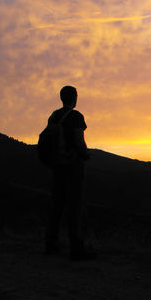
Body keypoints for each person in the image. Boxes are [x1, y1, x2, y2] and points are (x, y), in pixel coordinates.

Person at [44, 85, 95, 260]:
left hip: (57, 166)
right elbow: (79, 141)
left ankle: (51, 244)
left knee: (56, 205)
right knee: (74, 206)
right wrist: (85, 154)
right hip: (73, 167)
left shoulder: (53, 116)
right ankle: (76, 247)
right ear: (74, 97)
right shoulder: (76, 116)